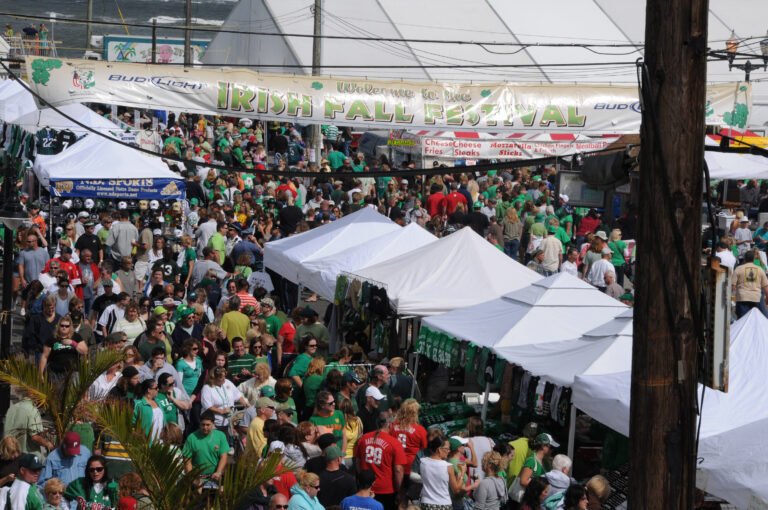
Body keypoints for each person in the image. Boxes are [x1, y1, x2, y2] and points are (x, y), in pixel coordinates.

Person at [354, 415, 407, 509]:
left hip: (366, 488)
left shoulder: (363, 438)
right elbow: (398, 470)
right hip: (386, 490)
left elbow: (358, 462)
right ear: (390, 425)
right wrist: (400, 492)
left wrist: (363, 479)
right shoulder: (394, 443)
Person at [419, 435, 473, 510]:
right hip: (443, 504)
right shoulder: (447, 466)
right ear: (439, 449)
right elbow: (456, 490)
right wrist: (463, 474)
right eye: (447, 449)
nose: (449, 451)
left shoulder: (423, 462)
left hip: (425, 503)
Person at [3, 392, 54, 459]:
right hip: (27, 459)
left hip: (10, 456)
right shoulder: (32, 410)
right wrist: (48, 444)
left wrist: (45, 432)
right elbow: (35, 437)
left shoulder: (12, 408)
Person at [182, 411, 229, 483]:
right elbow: (187, 460)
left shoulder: (221, 436)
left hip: (214, 476)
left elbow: (224, 456)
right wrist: (192, 478)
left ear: (213, 424)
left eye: (208, 425)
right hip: (197, 477)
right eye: (202, 425)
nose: (205, 427)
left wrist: (218, 472)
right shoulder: (192, 437)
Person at [40, 315, 88, 380]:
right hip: (55, 373)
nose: (64, 328)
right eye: (62, 325)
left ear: (70, 327)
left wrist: (73, 343)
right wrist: (40, 374)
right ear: (58, 326)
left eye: (67, 326)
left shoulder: (76, 336)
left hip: (72, 373)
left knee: (72, 390)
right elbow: (44, 356)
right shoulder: (52, 338)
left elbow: (84, 351)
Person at [732, 250, 768, 318]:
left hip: (742, 298)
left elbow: (733, 286)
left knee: (743, 321)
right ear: (753, 258)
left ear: (745, 258)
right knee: (756, 319)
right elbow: (766, 287)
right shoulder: (760, 269)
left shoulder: (738, 269)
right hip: (756, 298)